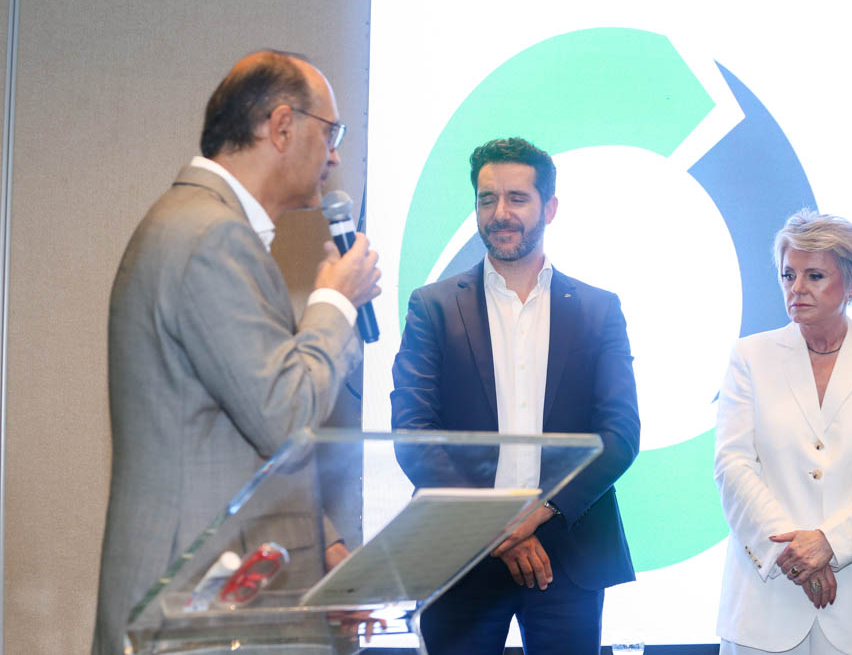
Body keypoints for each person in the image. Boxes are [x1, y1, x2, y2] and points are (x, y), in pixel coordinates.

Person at [92, 50, 381, 653]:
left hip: (218, 593)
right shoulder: (212, 237)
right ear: (282, 127)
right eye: (331, 133)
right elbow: (284, 416)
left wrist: (322, 543)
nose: (335, 156)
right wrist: (335, 302)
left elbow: (239, 428)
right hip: (199, 612)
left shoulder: (203, 225)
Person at [390, 137, 640, 655]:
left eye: (517, 198)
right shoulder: (432, 307)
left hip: (568, 552)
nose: (500, 213)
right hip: (457, 553)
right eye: (487, 199)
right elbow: (413, 434)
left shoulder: (598, 310)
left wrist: (540, 512)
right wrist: (500, 529)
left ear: (550, 208)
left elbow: (619, 435)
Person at [714, 210, 852, 654]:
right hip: (764, 603)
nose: (797, 288)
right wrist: (794, 554)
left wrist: (830, 543)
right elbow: (733, 466)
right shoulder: (750, 356)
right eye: (789, 274)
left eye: (815, 275)